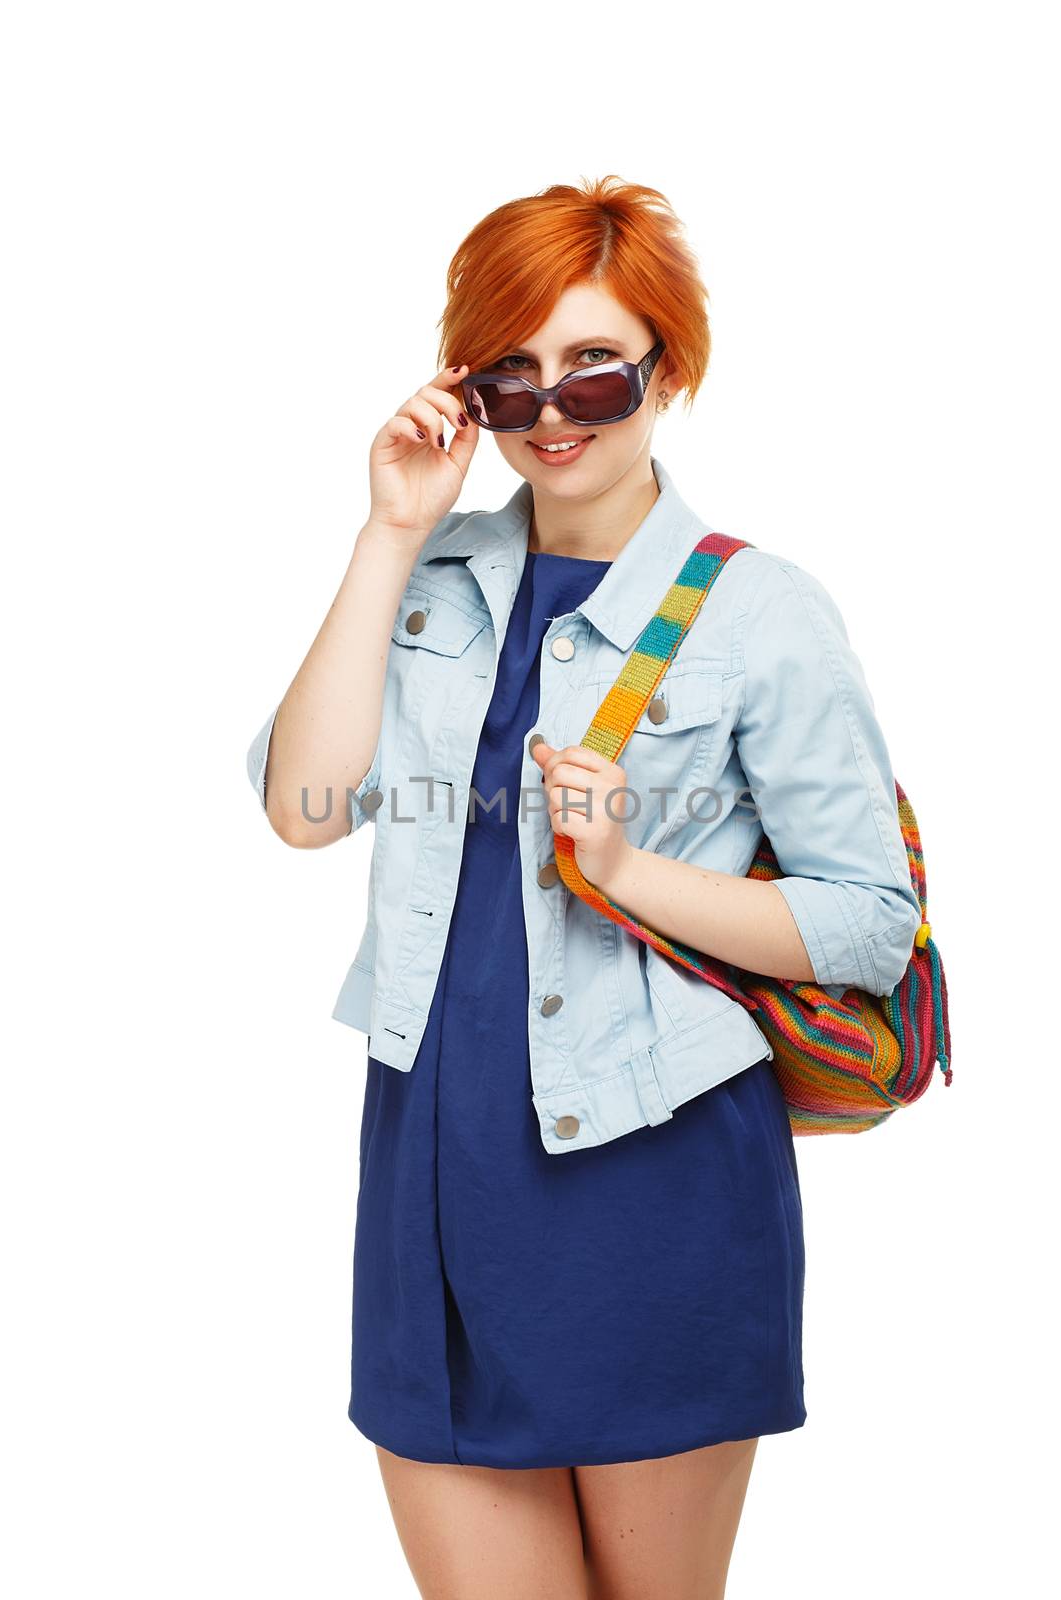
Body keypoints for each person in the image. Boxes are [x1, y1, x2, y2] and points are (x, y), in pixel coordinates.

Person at [245, 175, 921, 1600]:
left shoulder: (761, 610)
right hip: (432, 1170)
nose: (553, 413)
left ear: (664, 370)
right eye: (510, 379)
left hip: (652, 1181)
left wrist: (627, 870)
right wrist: (383, 534)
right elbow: (305, 808)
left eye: (594, 370)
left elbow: (868, 924)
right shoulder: (429, 574)